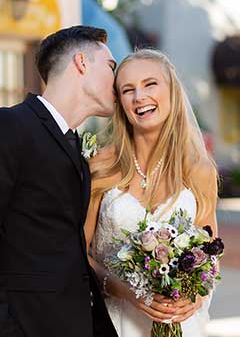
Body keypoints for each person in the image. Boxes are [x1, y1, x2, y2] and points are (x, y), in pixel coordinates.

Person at [0, 25, 119, 337]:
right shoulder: (5, 126)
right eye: (111, 66)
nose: (117, 79)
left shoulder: (76, 147)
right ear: (81, 62)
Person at [84, 49, 219, 337]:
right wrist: (122, 289)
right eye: (128, 90)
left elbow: (210, 253)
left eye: (150, 84)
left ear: (172, 91)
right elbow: (77, 253)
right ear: (120, 102)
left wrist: (195, 296)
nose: (139, 97)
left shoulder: (199, 171)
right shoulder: (100, 167)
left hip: (181, 325)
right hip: (115, 323)